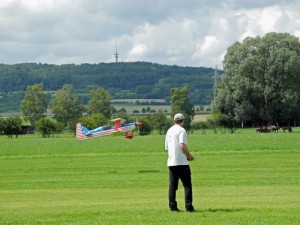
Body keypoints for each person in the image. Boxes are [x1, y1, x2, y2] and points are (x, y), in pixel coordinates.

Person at [165, 113, 195, 212]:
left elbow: (166, 148)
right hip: (182, 162)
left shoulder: (169, 131)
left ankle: (173, 207)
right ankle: (189, 207)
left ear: (174, 120)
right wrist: (189, 155)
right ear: (182, 121)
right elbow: (182, 145)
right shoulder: (182, 130)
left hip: (171, 162)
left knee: (173, 186)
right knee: (187, 186)